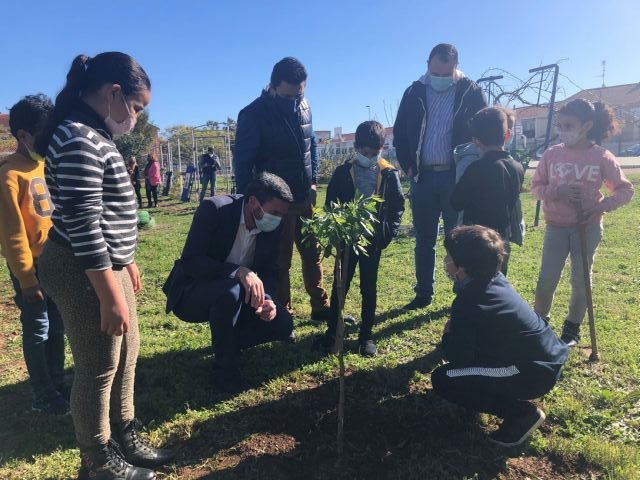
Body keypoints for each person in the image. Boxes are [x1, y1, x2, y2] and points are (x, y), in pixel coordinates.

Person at [35, 52, 172, 480]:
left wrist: (126, 259)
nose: (135, 118)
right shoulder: (77, 137)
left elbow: (110, 209)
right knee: (98, 364)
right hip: (81, 265)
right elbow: (83, 222)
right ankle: (96, 461)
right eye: (135, 108)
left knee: (127, 350)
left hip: (106, 263)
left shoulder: (94, 132)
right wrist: (109, 294)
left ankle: (124, 435)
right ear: (114, 93)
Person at [431, 225, 569, 447]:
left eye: (449, 256)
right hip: (546, 359)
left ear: (463, 266)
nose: (446, 260)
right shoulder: (495, 280)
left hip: (531, 371)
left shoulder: (471, 300)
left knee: (444, 378)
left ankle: (521, 413)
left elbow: (459, 357)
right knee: (466, 370)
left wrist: (448, 336)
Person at [164, 173, 295, 393]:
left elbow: (269, 271)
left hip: (240, 295)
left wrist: (269, 300)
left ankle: (228, 341)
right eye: (274, 213)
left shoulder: (272, 227)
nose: (277, 219)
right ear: (253, 201)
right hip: (193, 292)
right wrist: (237, 272)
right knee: (231, 290)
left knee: (283, 324)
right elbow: (191, 262)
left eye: (281, 215)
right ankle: (225, 370)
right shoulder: (215, 209)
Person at [233, 57, 330, 321]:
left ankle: (321, 307)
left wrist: (313, 180)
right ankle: (282, 312)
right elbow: (243, 163)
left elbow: (312, 145)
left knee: (312, 254)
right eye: (289, 95)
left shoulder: (305, 105)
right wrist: (250, 202)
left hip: (304, 196)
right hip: (275, 202)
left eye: (300, 93)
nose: (295, 100)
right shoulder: (253, 114)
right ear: (273, 86)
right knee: (280, 260)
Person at [531, 99, 634, 346]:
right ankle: (538, 323)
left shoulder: (601, 157)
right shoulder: (552, 154)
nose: (563, 130)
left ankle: (572, 328)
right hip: (556, 227)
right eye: (560, 125)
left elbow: (624, 190)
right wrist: (558, 191)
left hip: (586, 228)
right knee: (547, 279)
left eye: (569, 125)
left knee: (580, 280)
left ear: (586, 125)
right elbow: (536, 187)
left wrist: (600, 207)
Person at [393, 43, 487, 311]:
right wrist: (409, 166)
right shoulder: (413, 92)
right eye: (435, 72)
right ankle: (424, 292)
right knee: (424, 239)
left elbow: (484, 131)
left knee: (459, 239)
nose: (440, 78)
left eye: (446, 74)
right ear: (428, 64)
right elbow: (400, 133)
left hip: (457, 178)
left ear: (456, 68)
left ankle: (463, 291)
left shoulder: (471, 92)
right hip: (422, 178)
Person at [0, 94, 69, 415]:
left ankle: (59, 380)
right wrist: (27, 280)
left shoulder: (45, 164)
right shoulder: (9, 174)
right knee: (38, 327)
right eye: (45, 131)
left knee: (58, 325)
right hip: (33, 269)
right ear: (23, 135)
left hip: (57, 262)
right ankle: (43, 393)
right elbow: (12, 234)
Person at [316, 121, 405, 357]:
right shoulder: (343, 172)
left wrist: (385, 233)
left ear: (382, 148)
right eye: (365, 153)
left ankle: (366, 335)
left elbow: (397, 207)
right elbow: (331, 204)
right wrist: (337, 229)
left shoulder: (388, 173)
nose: (370, 157)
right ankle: (333, 332)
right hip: (347, 241)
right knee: (340, 286)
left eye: (375, 153)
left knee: (369, 287)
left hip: (372, 242)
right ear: (356, 147)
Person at [450, 107, 524, 275]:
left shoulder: (474, 169)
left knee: (473, 282)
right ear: (507, 135)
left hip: (475, 240)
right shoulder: (517, 168)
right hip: (501, 240)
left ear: (476, 141)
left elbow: (456, 202)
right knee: (498, 281)